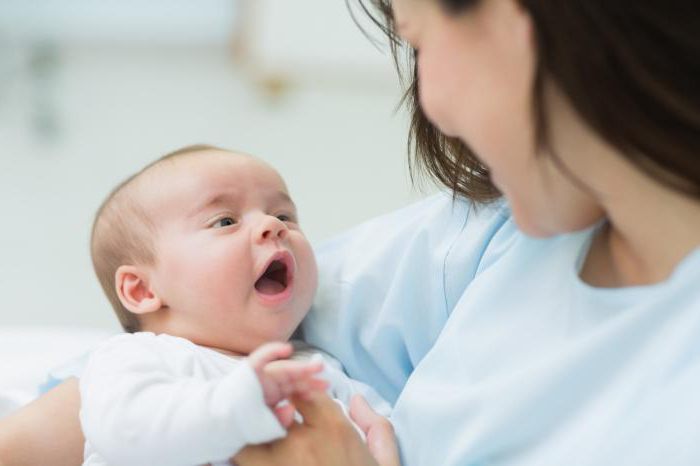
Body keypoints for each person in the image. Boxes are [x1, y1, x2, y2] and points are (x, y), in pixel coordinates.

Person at [1, 0, 698, 464]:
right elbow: (132, 379)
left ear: (513, 25)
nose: (430, 102)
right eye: (225, 219)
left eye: (419, 44)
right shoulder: (498, 234)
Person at [77, 145, 392, 466]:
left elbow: (387, 434)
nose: (273, 224)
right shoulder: (137, 357)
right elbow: (125, 430)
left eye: (284, 216)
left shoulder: (318, 368)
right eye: (225, 221)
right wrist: (237, 408)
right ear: (143, 289)